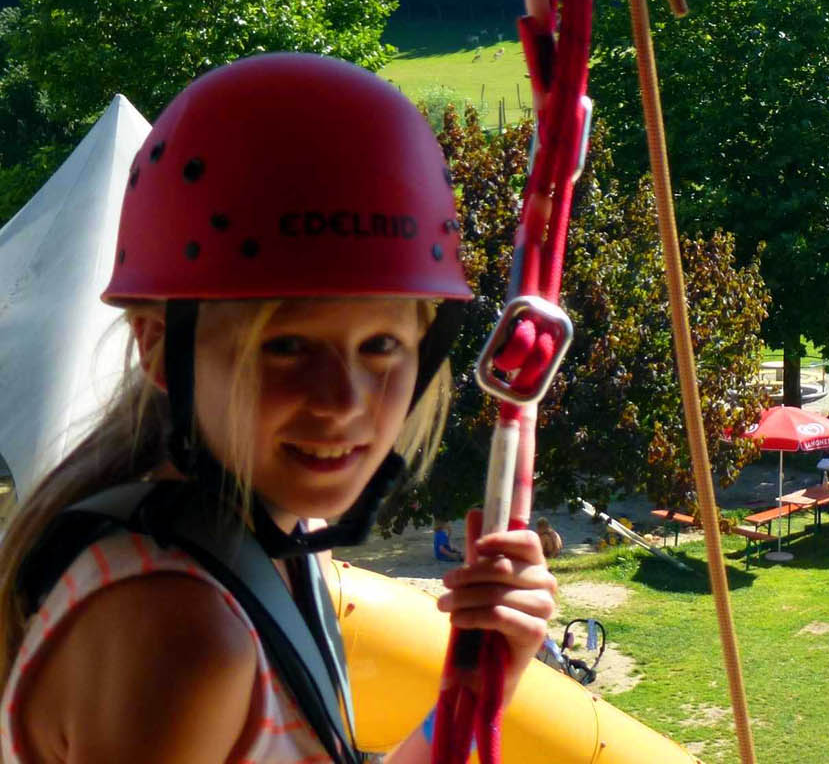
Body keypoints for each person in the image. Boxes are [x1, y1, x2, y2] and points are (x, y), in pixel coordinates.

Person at [0, 54, 557, 764]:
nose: (343, 403)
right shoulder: (179, 631)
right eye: (288, 345)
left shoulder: (264, 551)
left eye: (381, 344)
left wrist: (470, 692)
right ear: (157, 345)